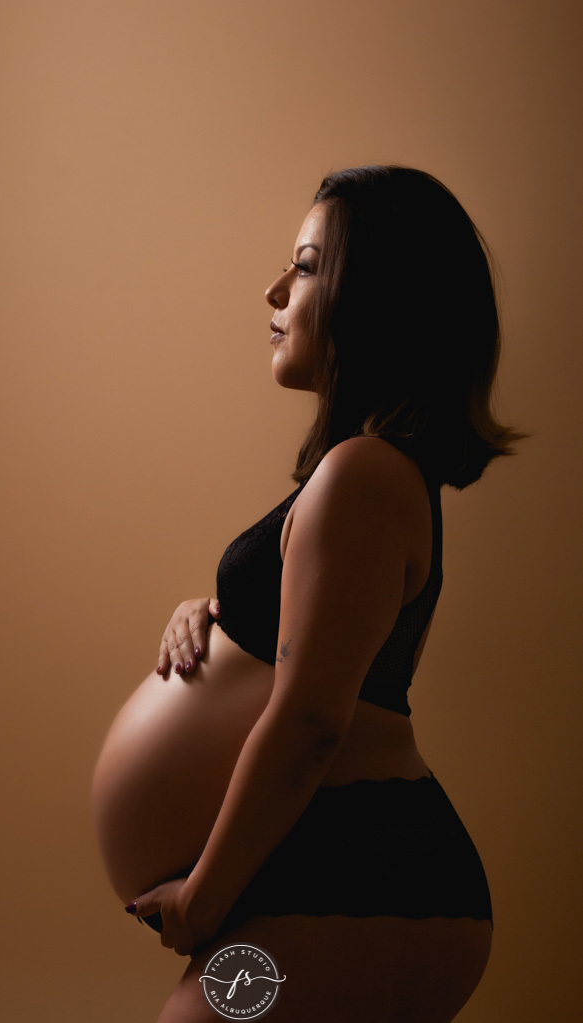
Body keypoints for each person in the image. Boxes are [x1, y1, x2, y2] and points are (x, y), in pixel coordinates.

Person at [104, 165, 522, 1022]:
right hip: (315, 876)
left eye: (302, 265)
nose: (273, 288)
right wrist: (219, 620)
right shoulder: (364, 476)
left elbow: (308, 720)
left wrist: (204, 901)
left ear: (372, 297)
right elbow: (318, 655)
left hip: (357, 883)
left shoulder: (364, 474)